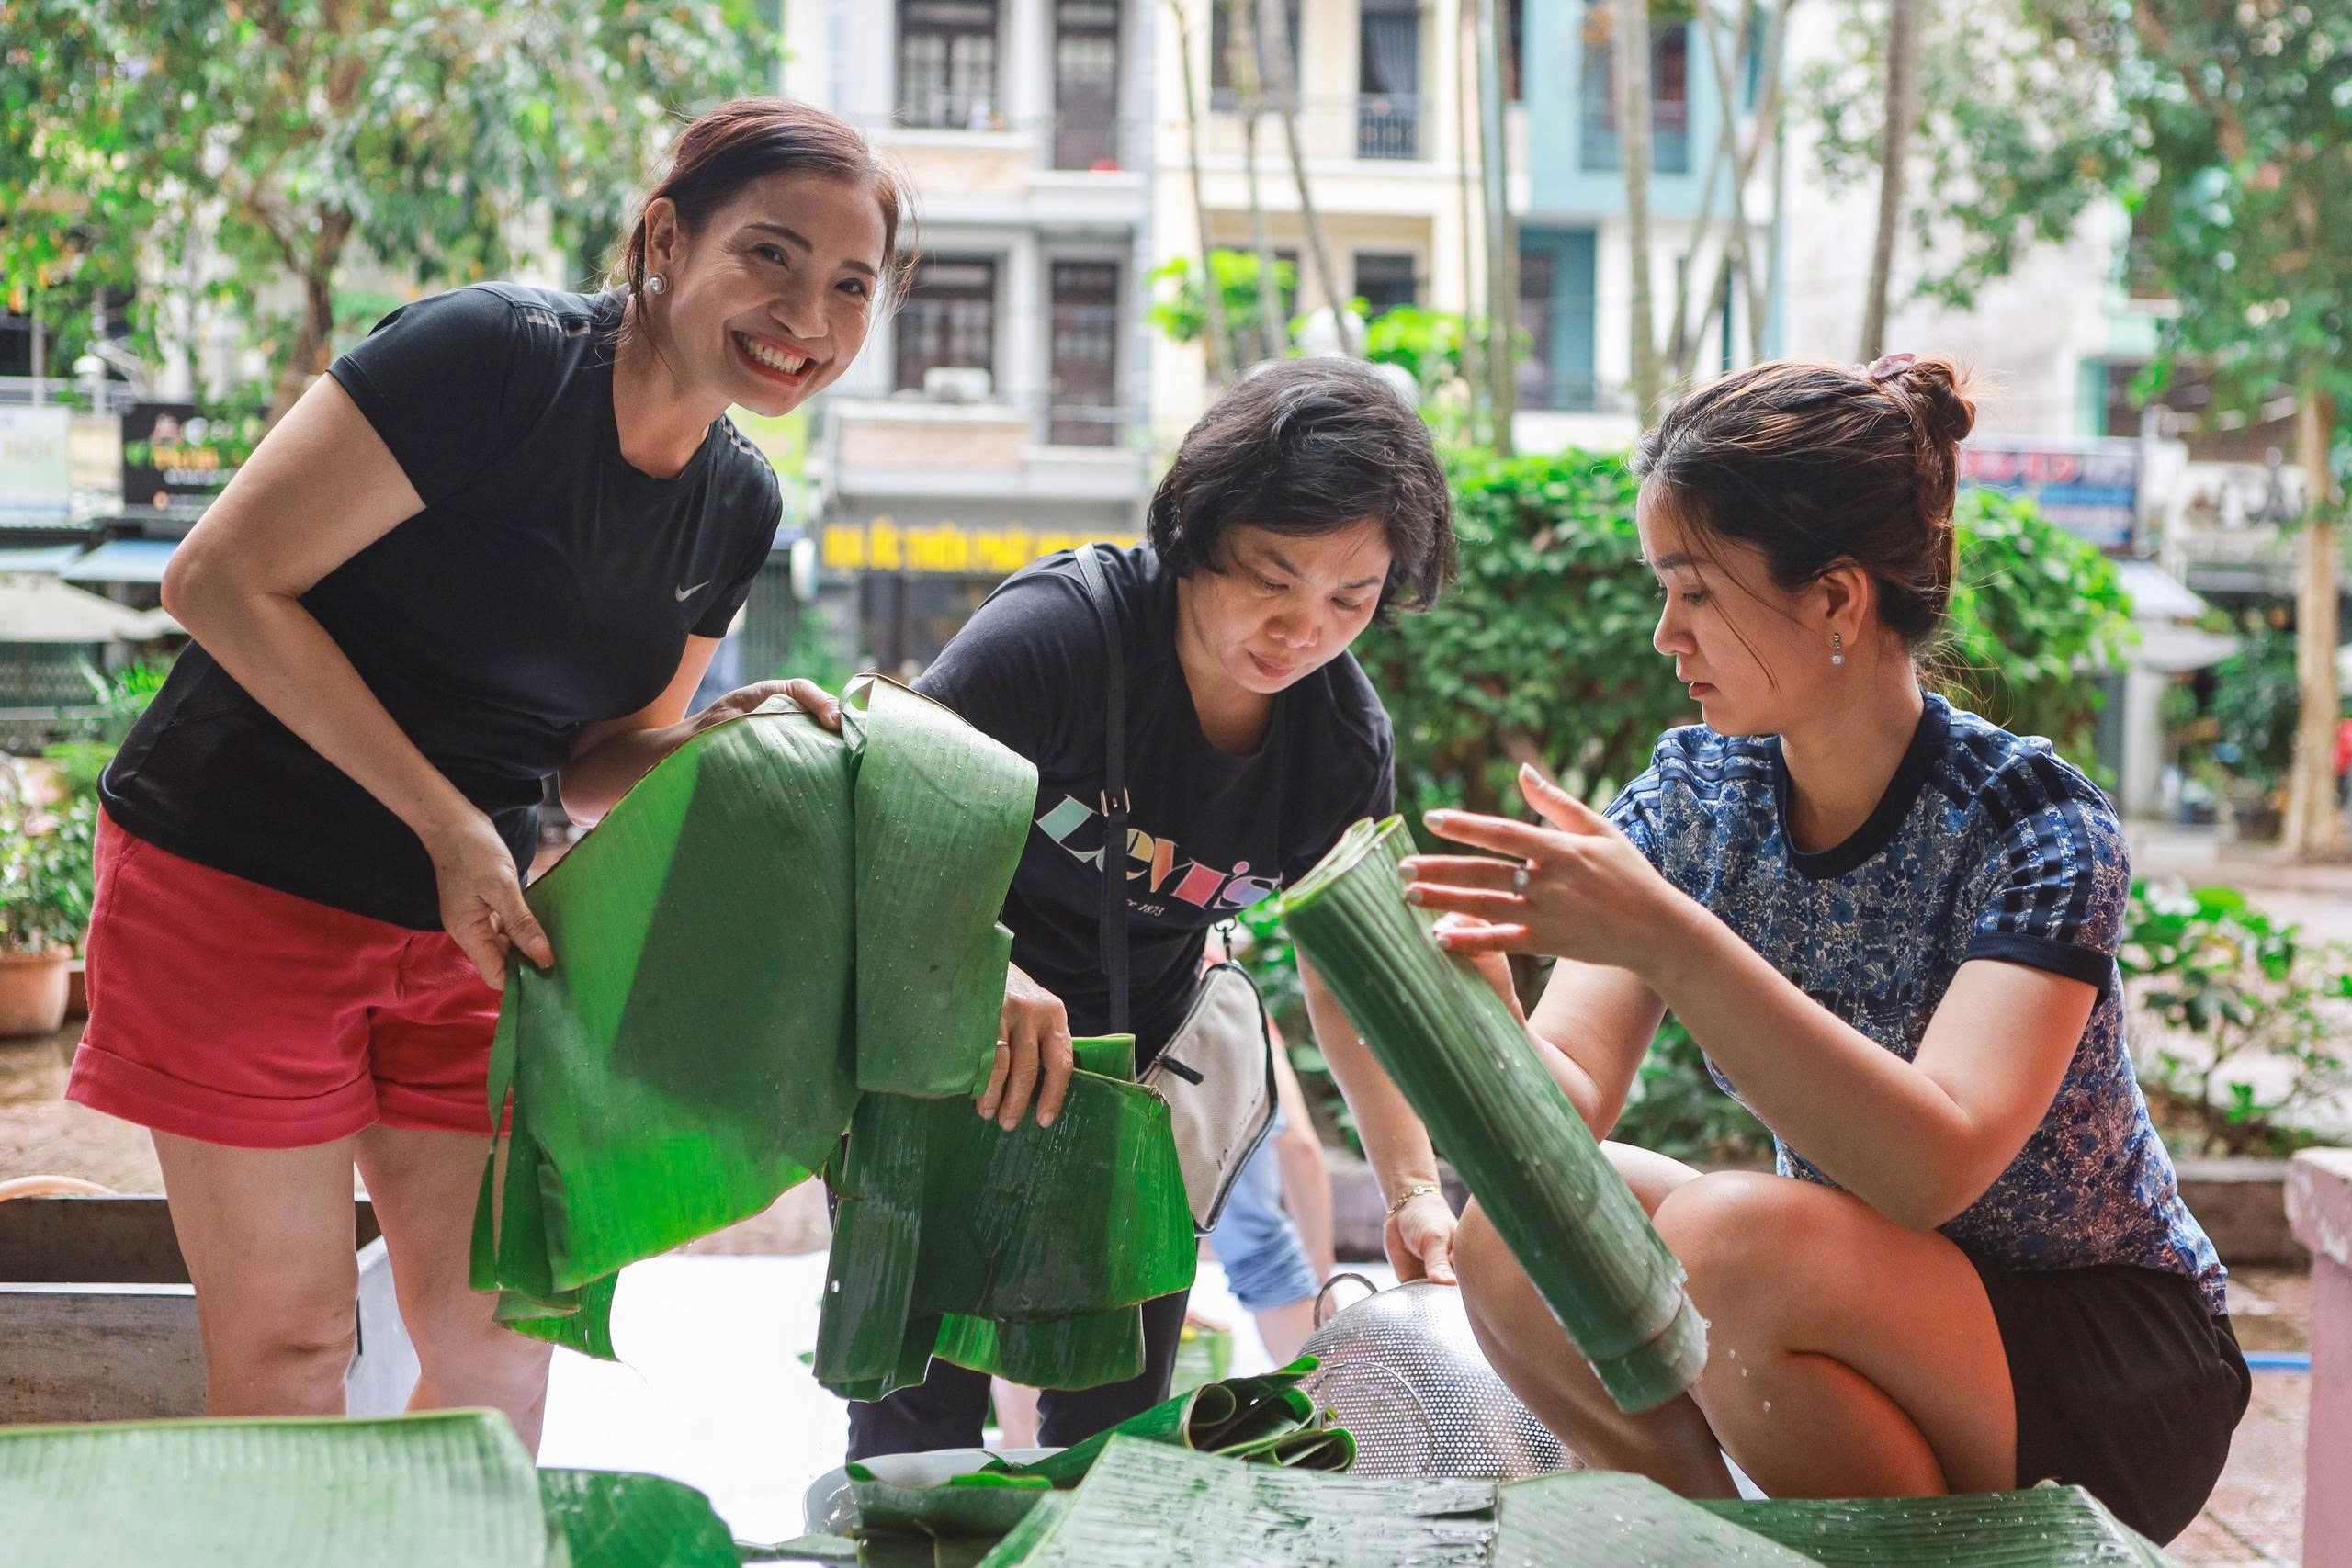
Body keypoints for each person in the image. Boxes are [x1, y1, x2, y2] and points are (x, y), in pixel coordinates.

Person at [66, 98, 905, 1448]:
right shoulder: (494, 361)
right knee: (289, 1345)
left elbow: (584, 762)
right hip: (239, 882)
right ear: (667, 238)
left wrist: (705, 745)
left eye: (850, 284)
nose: (806, 310)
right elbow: (218, 578)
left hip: (471, 930)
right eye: (769, 254)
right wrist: (448, 818)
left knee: (506, 1339)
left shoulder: (736, 500)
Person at [1392, 355, 2246, 1543]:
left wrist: (1672, 938)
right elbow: (1566, 1098)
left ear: (1838, 600)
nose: (1662, 633)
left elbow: (1932, 1161)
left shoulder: (2036, 826)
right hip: (1863, 1296)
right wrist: (1453, 996)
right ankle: (1729, 1541)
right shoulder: (1698, 795)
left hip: (2104, 1351)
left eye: (1692, 591)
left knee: (1723, 1248)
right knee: (1510, 1241)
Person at [836, 357, 1458, 1457]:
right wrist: (977, 967)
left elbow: (1351, 977)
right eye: (1271, 575)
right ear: (1193, 531)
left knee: (1114, 1434)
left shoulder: (1341, 748)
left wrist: (1414, 1188)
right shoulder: (1058, 638)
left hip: (1138, 1092)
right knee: (912, 1421)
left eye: (1350, 598)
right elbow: (866, 815)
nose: (1301, 626)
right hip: (940, 1053)